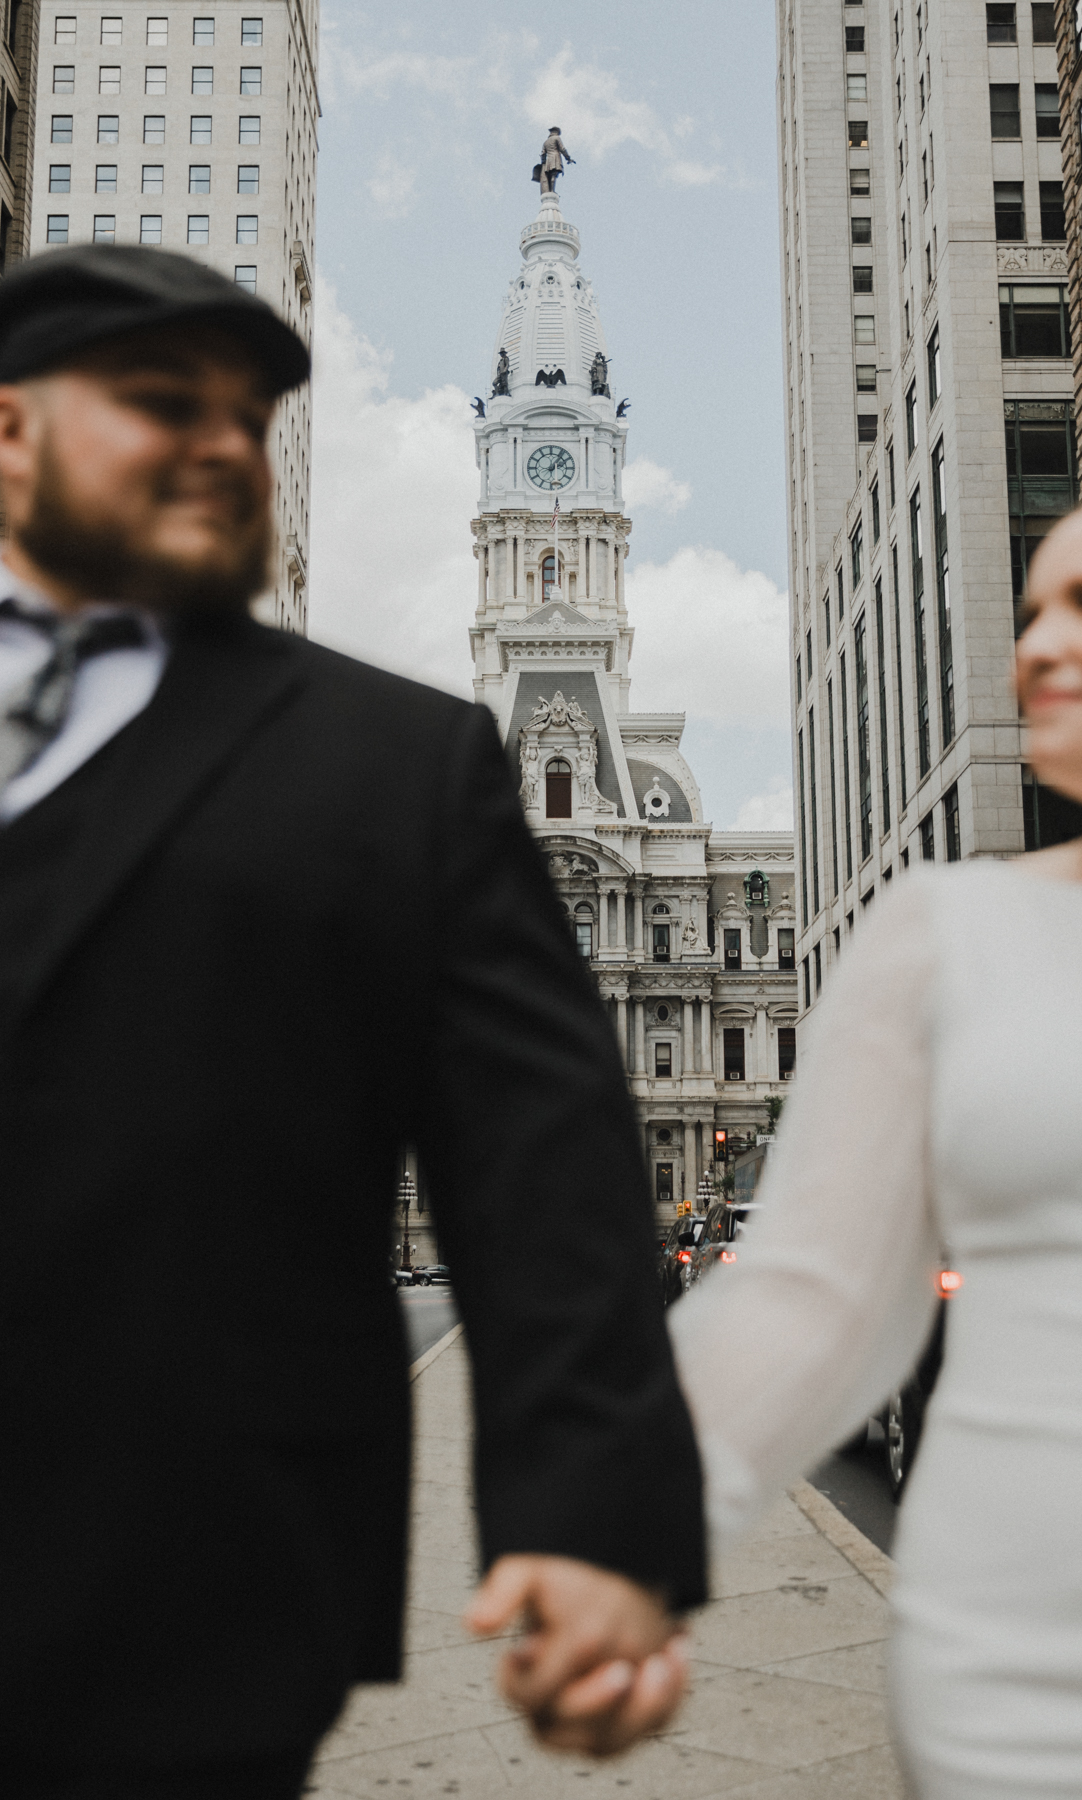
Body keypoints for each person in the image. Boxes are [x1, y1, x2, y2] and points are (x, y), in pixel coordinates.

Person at [0, 245, 704, 1797]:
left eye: (248, 417)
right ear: (13, 437)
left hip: (190, 1588)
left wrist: (595, 1526)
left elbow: (543, 1174)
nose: (221, 446)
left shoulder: (393, 768)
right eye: (158, 403)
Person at [669, 468, 1082, 1799]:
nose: (1037, 646)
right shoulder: (944, 933)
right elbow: (810, 1300)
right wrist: (611, 1531)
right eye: (1030, 611)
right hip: (1020, 1671)